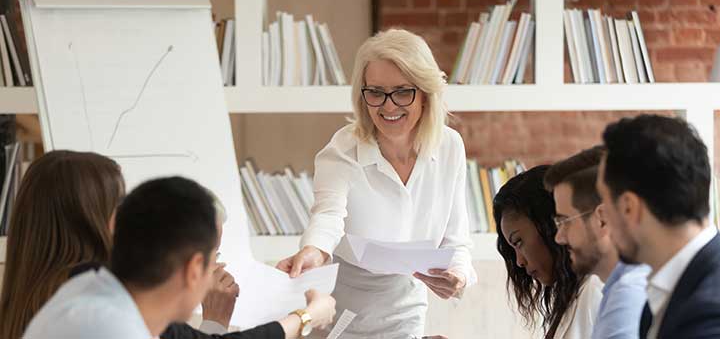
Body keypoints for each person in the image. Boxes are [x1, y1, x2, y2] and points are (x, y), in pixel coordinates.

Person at [0, 150, 335, 339]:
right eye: (212, 258)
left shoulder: (88, 284)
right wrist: (306, 317)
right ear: (193, 269)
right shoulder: (107, 320)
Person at [276, 29, 476, 338]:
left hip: (406, 300)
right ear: (362, 95)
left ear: (424, 93)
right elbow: (328, 215)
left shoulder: (449, 146)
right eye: (376, 92)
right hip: (341, 302)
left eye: (402, 91)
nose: (388, 106)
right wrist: (314, 250)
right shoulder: (343, 149)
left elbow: (456, 235)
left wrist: (458, 275)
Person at [596, 114, 720, 338]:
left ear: (630, 207)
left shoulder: (717, 315)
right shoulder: (674, 288)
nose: (603, 217)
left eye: (605, 201)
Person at [544, 146, 649, 339]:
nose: (559, 237)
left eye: (564, 221)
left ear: (602, 219)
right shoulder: (617, 290)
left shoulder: (627, 298)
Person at [495, 165, 602, 339]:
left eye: (519, 242)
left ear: (549, 226)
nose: (519, 262)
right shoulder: (571, 297)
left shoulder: (595, 291)